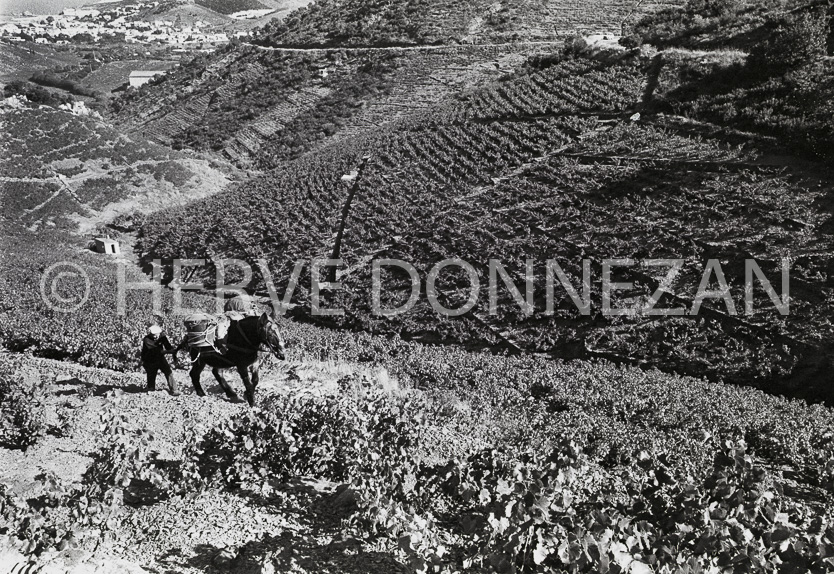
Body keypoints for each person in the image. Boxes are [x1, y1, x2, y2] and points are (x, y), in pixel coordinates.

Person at [141, 325, 181, 396]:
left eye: (156, 335)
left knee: (168, 372)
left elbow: (168, 346)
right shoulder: (147, 340)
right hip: (150, 358)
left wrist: (173, 351)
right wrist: (168, 352)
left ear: (159, 333)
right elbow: (156, 351)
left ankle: (174, 390)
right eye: (153, 335)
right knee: (151, 373)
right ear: (150, 334)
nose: (155, 337)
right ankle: (151, 388)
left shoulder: (162, 337)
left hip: (160, 357)